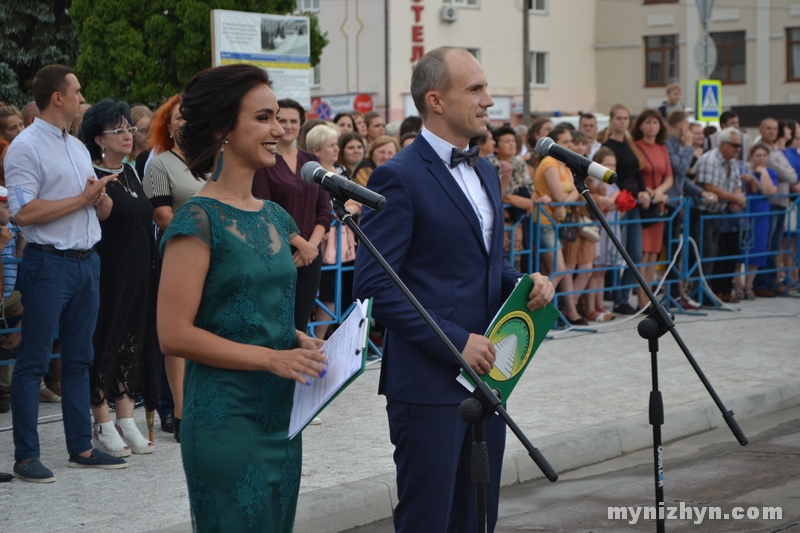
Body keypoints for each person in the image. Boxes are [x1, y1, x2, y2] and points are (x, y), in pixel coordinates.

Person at [354, 47, 555, 533]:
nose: (489, 101)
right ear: (436, 100)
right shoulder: (396, 176)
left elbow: (483, 263)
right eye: (476, 89)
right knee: (430, 519)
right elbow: (375, 283)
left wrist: (524, 283)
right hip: (427, 384)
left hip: (490, 376)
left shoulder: (486, 169)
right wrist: (454, 339)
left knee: (477, 517)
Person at [157, 63, 326, 532]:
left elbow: (251, 311)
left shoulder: (275, 216)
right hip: (224, 419)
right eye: (264, 118)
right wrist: (270, 360)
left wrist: (296, 341)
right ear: (222, 129)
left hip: (281, 417)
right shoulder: (197, 219)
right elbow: (173, 333)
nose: (280, 129)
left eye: (279, 117)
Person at [6, 64, 127, 483]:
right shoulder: (25, 147)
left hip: (85, 261)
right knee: (34, 361)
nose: (81, 96)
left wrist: (101, 202)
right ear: (57, 97)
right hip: (47, 264)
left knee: (79, 359)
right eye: (76, 90)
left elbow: (93, 205)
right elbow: (24, 212)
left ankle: (81, 447)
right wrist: (82, 199)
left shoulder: (76, 147)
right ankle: (26, 456)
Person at [81, 99, 160, 456]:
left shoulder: (130, 172)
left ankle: (127, 416)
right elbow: (105, 215)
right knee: (108, 339)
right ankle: (102, 417)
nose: (128, 135)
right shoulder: (92, 174)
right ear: (99, 138)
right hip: (110, 271)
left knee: (134, 339)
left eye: (129, 128)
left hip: (140, 268)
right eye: (119, 130)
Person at [144, 94, 201, 442]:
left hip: (216, 254)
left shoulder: (213, 160)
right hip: (179, 253)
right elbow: (161, 214)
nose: (183, 123)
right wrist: (202, 228)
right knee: (180, 335)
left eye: (189, 117)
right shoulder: (159, 164)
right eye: (178, 117)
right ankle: (180, 412)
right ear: (167, 124)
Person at [252, 98, 332, 332]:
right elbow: (264, 208)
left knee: (301, 320)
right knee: (278, 319)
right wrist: (299, 243)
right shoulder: (265, 160)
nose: (287, 125)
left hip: (310, 254)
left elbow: (324, 209)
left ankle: (299, 368)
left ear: (301, 124)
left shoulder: (311, 160)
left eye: (293, 121)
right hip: (277, 252)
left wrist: (311, 247)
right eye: (282, 119)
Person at [307, 124, 361, 340]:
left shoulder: (340, 171)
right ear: (317, 149)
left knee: (346, 289)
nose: (336, 149)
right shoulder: (311, 174)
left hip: (345, 242)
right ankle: (319, 340)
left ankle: (343, 341)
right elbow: (315, 208)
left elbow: (356, 202)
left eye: (336, 144)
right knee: (327, 293)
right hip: (323, 242)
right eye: (331, 145)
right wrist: (335, 214)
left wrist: (345, 211)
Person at [534, 125, 587, 325]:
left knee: (556, 270)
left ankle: (569, 313)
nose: (569, 145)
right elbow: (561, 198)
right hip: (545, 222)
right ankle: (532, 307)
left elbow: (565, 198)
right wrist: (577, 188)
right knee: (558, 269)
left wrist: (570, 195)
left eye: (569, 141)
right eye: (564, 142)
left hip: (555, 222)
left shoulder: (561, 163)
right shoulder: (549, 162)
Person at [664, 111, 716, 310]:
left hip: (676, 202)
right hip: (668, 203)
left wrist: (700, 192)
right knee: (669, 253)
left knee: (675, 252)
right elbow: (681, 168)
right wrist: (687, 146)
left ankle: (677, 293)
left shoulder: (675, 143)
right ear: (682, 127)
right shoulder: (670, 142)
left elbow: (680, 179)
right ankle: (673, 294)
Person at [602, 104, 650, 315]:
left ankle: (623, 295)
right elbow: (610, 175)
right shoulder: (607, 145)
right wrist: (624, 196)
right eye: (619, 118)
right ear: (612, 120)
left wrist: (644, 191)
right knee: (616, 253)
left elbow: (637, 172)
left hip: (633, 203)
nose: (623, 122)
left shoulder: (630, 144)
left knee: (635, 253)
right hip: (619, 202)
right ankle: (616, 297)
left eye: (626, 118)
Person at [695, 127, 747, 302]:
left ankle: (717, 292)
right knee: (707, 254)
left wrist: (737, 196)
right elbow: (708, 187)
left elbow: (736, 184)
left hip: (718, 213)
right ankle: (703, 293)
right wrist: (735, 197)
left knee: (718, 253)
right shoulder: (709, 160)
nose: (738, 148)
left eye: (739, 145)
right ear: (723, 144)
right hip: (702, 213)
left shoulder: (731, 162)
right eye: (734, 145)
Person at [631, 109, 673, 310]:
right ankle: (642, 301)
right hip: (644, 204)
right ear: (640, 125)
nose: (651, 126)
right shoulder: (636, 147)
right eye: (647, 122)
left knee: (654, 254)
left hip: (659, 203)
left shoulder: (662, 148)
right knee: (644, 254)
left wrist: (660, 192)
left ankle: (651, 299)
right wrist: (649, 191)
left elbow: (669, 176)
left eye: (655, 122)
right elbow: (636, 175)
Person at [752, 117, 799, 297]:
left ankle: (771, 281)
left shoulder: (777, 150)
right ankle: (761, 283)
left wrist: (787, 176)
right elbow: (787, 174)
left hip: (781, 203)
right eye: (768, 128)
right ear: (761, 130)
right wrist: (787, 176)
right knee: (766, 244)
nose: (772, 131)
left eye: (774, 128)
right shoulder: (764, 151)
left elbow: (792, 175)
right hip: (769, 203)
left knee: (775, 245)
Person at [735, 143, 778, 300]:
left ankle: (749, 286)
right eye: (758, 155)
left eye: (764, 155)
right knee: (739, 250)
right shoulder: (742, 169)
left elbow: (769, 191)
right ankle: (738, 285)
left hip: (761, 214)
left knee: (758, 249)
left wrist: (763, 173)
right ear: (751, 155)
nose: (761, 158)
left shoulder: (770, 172)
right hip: (743, 212)